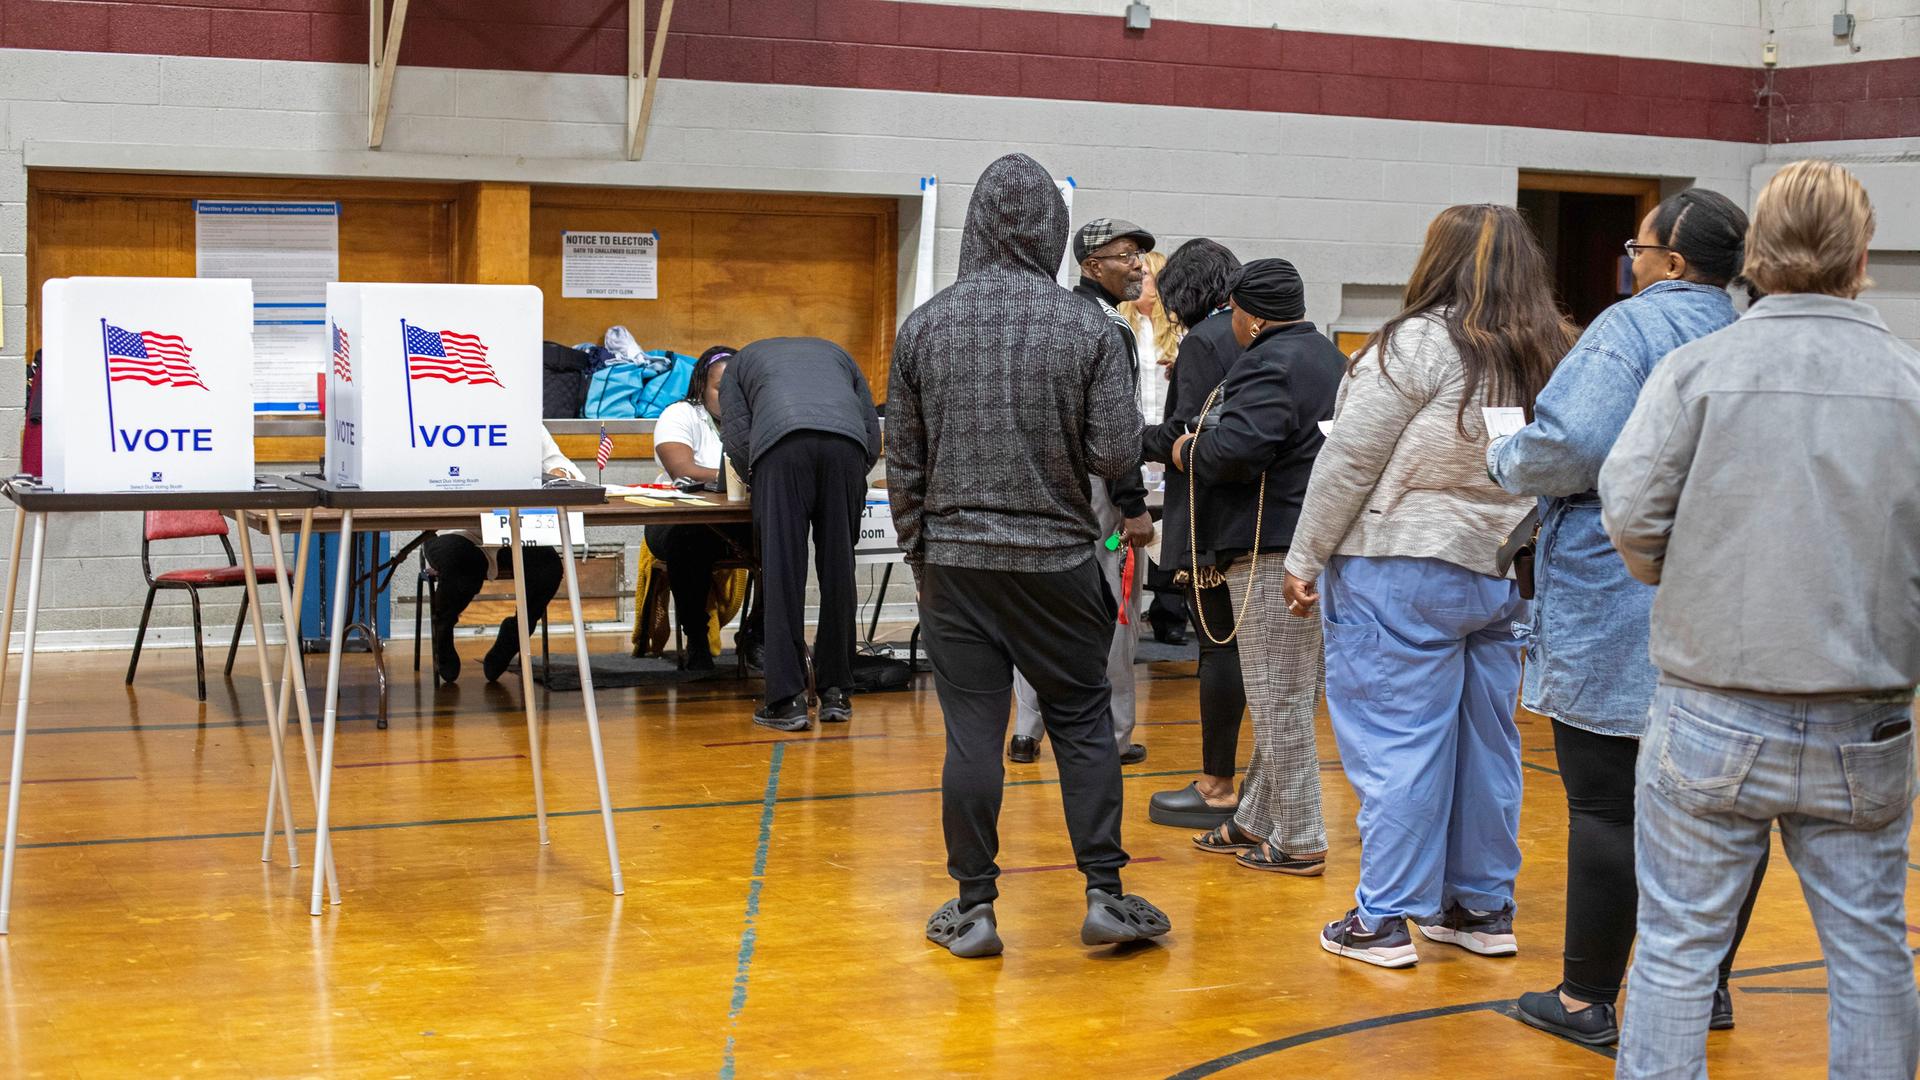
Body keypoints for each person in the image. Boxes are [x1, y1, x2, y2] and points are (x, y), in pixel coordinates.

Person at [1601, 160, 1920, 1080]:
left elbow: (1631, 510)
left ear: (1757, 254)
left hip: (1711, 708)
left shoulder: (1697, 369)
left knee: (1675, 949)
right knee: (1869, 954)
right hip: (1867, 714)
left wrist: (1679, 571)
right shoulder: (1908, 380)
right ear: (1862, 256)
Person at [1489, 189, 1768, 1045]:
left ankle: (1586, 999)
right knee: (1724, 812)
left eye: (1636, 248)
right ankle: (1706, 989)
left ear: (1673, 262)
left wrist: (1507, 455)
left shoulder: (1634, 328)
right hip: (1733, 600)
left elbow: (1571, 444)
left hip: (1620, 595)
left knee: (1606, 805)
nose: (1631, 263)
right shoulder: (1755, 334)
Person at [891, 153, 1169, 958]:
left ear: (976, 225)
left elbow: (902, 462)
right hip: (1056, 562)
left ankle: (973, 909)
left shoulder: (926, 325)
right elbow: (1117, 448)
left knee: (972, 733)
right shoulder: (1090, 328)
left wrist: (920, 554)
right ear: (1053, 231)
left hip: (954, 563)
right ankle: (1105, 897)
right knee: (1082, 722)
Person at [1283, 204, 1575, 968]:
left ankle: (1382, 920)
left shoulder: (1417, 341)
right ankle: (1479, 907)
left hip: (1399, 571)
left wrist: (1304, 556)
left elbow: (1348, 460)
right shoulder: (1552, 349)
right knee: (1487, 745)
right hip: (1498, 575)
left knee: (1398, 746)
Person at [1164, 259, 1343, 875]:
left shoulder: (1269, 361)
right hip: (1312, 544)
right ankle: (1256, 817)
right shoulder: (1326, 356)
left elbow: (1238, 449)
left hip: (1272, 550)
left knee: (1279, 701)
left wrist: (1190, 447)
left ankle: (1299, 837)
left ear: (1253, 314)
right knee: (1285, 695)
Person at [1006, 217, 1157, 767]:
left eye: (1141, 254)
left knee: (1036, 608)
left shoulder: (1045, 318)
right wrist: (1133, 505)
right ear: (1093, 266)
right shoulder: (1108, 327)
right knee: (1115, 608)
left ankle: (1026, 728)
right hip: (1097, 495)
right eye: (1127, 256)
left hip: (1038, 485)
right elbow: (1114, 428)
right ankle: (1114, 735)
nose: (1140, 265)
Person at [718, 336, 880, 732]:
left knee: (783, 574)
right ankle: (837, 693)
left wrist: (757, 477)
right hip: (847, 448)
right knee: (839, 572)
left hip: (781, 448)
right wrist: (855, 471)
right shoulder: (839, 353)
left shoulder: (738, 365)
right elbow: (871, 428)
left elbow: (738, 437)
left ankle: (786, 700)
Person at [1142, 238, 1247, 829]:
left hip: (1210, 516)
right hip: (1256, 517)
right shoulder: (1249, 335)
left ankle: (1216, 784)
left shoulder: (1204, 340)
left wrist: (1131, 435)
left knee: (1217, 647)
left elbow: (1187, 434)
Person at [425, 427, 583, 684]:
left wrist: (559, 473)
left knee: (548, 568)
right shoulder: (446, 423)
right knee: (460, 566)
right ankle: (442, 629)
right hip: (459, 527)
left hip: (513, 528)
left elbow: (561, 465)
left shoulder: (525, 422)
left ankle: (515, 633)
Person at [645, 346, 759, 672]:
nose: (731, 397)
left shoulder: (758, 418)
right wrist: (743, 476)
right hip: (677, 519)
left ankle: (757, 633)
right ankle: (696, 639)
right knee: (690, 538)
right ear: (701, 387)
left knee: (783, 537)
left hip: (739, 521)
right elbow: (683, 469)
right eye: (721, 389)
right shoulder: (681, 414)